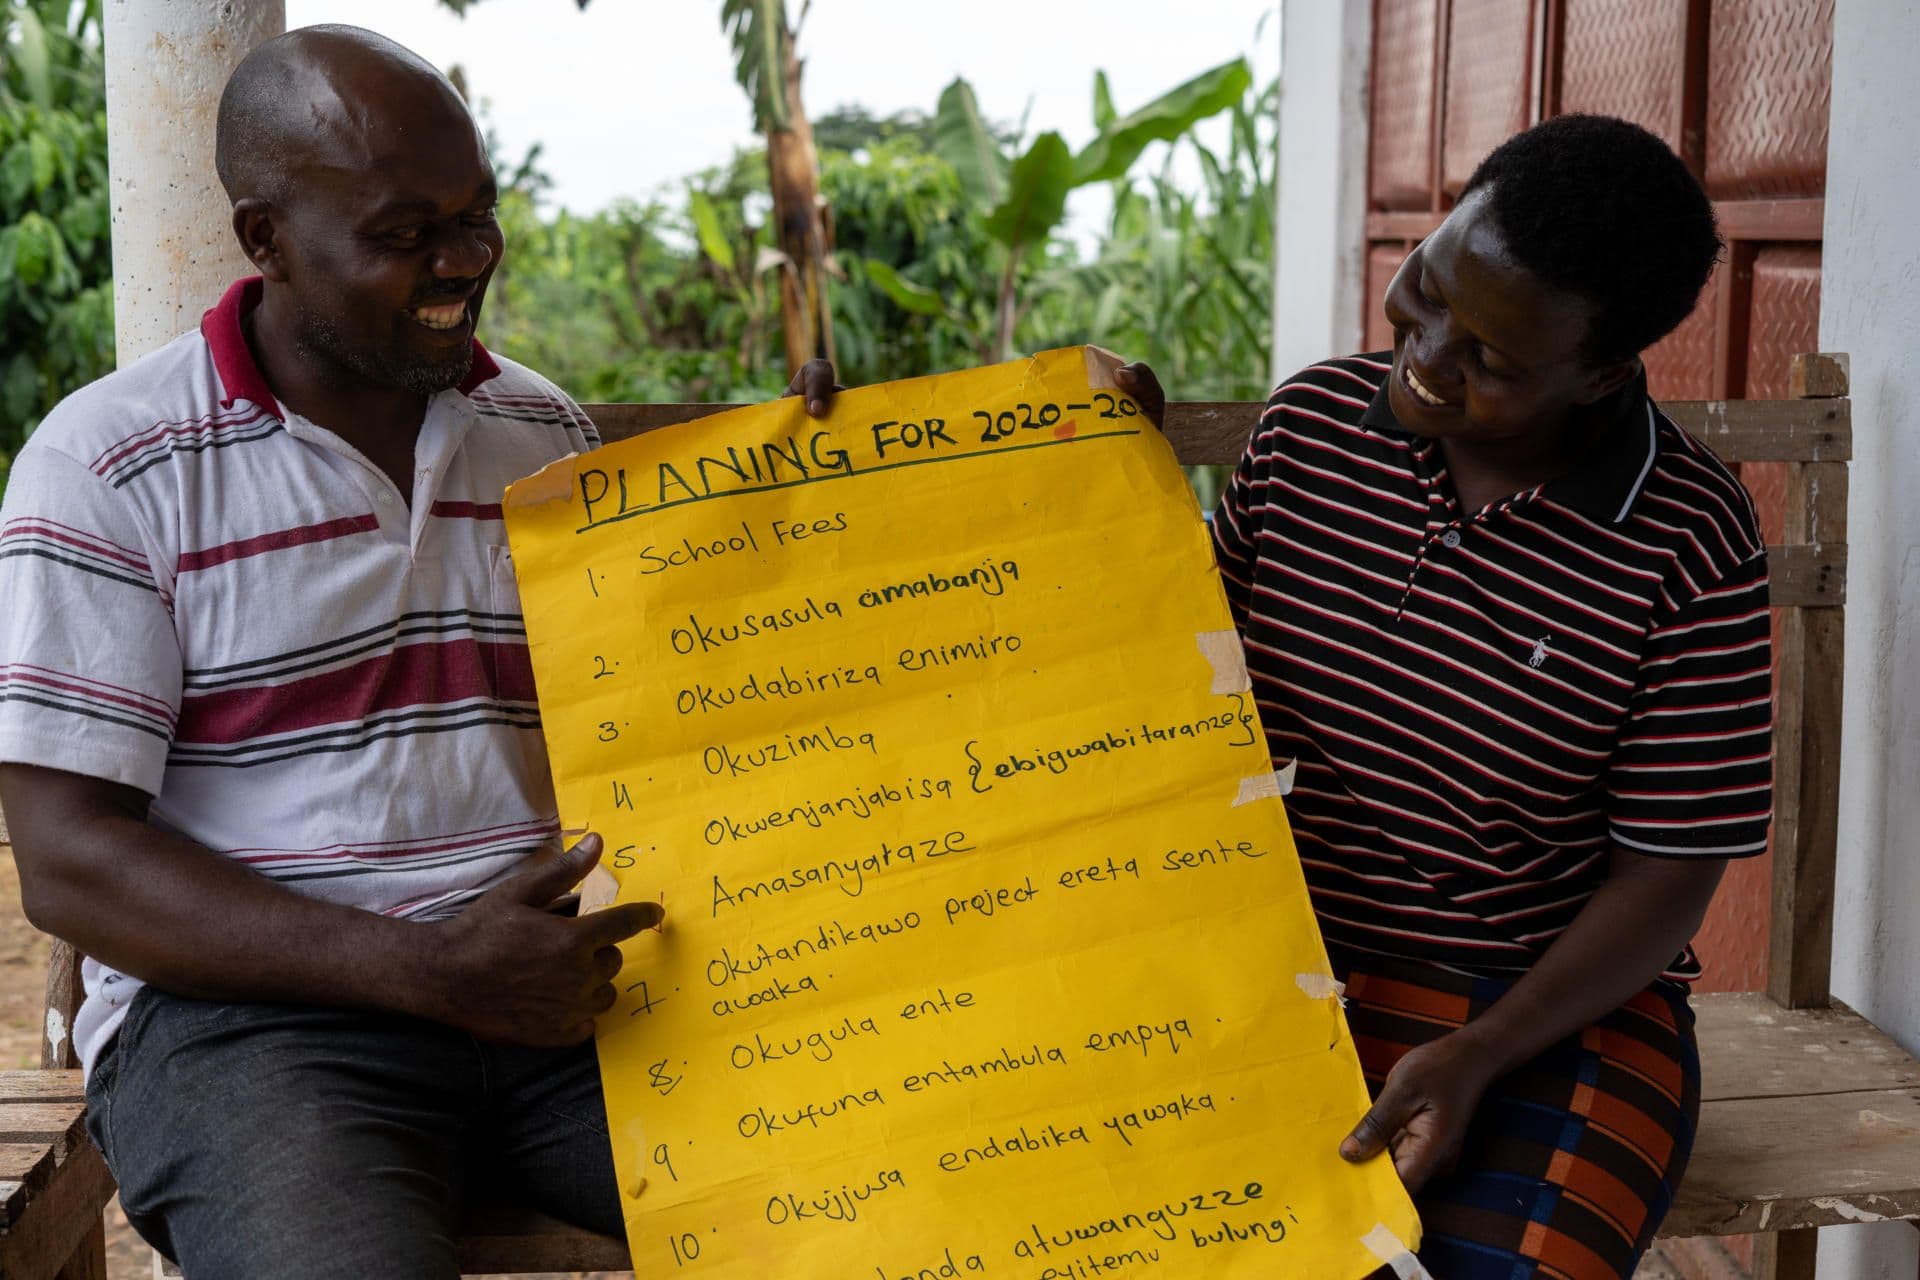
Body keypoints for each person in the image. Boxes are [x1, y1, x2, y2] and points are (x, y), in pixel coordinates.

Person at [0, 25, 834, 1279]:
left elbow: (680, 696)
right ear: (267, 238)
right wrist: (431, 969)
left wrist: (843, 488)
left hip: (558, 997)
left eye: (476, 218)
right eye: (404, 234)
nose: (462, 261)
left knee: (887, 1195)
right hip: (253, 1027)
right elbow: (69, 862)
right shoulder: (113, 466)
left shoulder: (540, 436)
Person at [1117, 114, 1768, 1279]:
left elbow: (1666, 879)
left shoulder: (1687, 539)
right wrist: (1049, 455)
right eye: (1429, 286)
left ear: (1603, 373)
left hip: (1544, 1005)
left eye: (1496, 360)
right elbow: (1160, 665)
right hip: (1274, 967)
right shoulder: (1311, 434)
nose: (1427, 353)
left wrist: (1480, 1050)